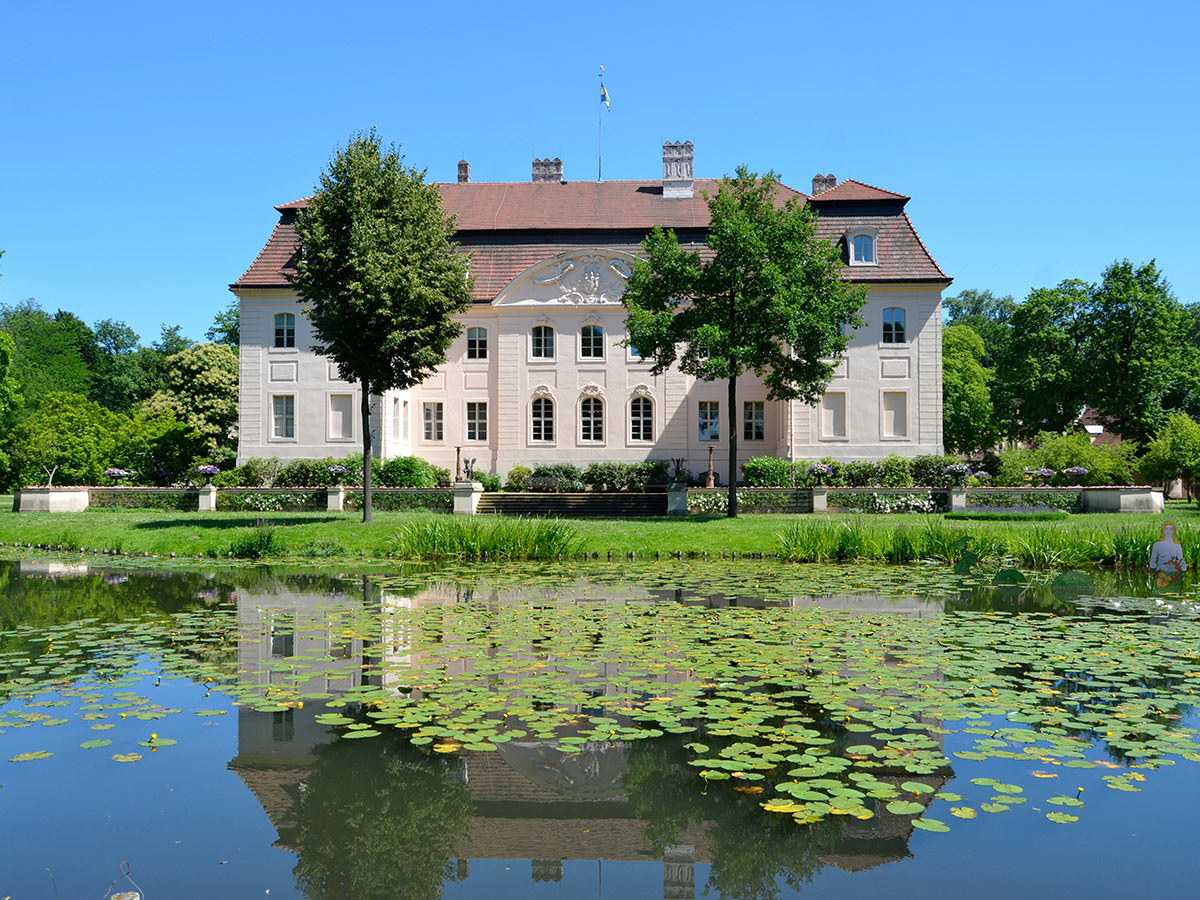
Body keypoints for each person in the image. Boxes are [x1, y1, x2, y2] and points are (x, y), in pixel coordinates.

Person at [1149, 520, 1187, 587]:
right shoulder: (1157, 544)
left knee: (1174, 593)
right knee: (1160, 589)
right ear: (1163, 530)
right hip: (1161, 572)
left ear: (1174, 531)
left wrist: (1181, 566)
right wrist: (1158, 567)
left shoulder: (1177, 545)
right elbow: (1152, 562)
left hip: (1174, 573)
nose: (1168, 531)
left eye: (1171, 529)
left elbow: (1181, 560)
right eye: (1166, 528)